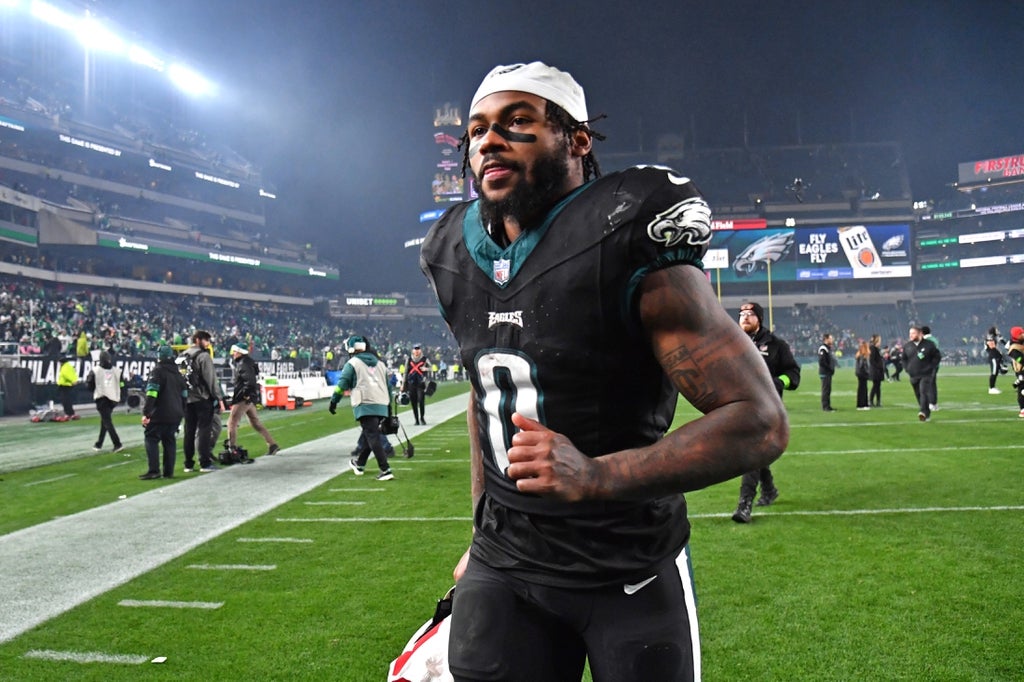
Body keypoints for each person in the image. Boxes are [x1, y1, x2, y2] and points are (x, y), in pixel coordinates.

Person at [420, 61, 788, 681]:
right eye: (478, 129)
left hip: (629, 567)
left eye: (517, 123)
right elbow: (488, 402)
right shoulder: (453, 250)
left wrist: (595, 474)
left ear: (577, 140)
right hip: (506, 564)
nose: (490, 140)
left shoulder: (624, 228)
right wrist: (481, 531)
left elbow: (759, 423)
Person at [731, 301, 800, 523]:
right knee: (757, 453)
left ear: (759, 319)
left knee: (751, 453)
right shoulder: (731, 343)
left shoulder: (776, 345)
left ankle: (745, 504)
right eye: (741, 314)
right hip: (740, 406)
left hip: (766, 409)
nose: (745, 317)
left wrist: (779, 382)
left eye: (750, 314)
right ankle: (769, 489)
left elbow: (794, 374)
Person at [329, 335, 394, 481]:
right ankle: (360, 464)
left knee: (372, 436)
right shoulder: (380, 364)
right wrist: (388, 407)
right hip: (382, 403)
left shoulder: (352, 363)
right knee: (368, 434)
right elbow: (388, 387)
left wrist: (334, 401)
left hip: (365, 403)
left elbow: (342, 384)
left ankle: (385, 469)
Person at [181, 330, 226, 473]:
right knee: (204, 430)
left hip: (187, 398)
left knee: (189, 431)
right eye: (206, 340)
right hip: (202, 398)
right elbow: (211, 379)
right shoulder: (203, 356)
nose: (208, 343)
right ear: (198, 340)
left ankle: (188, 464)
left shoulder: (182, 355)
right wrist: (219, 398)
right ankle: (204, 463)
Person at [139, 345, 187, 480]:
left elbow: (152, 393)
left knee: (151, 438)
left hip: (160, 413)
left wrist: (146, 413)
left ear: (159, 357)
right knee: (169, 441)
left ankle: (154, 470)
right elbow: (184, 396)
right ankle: (168, 472)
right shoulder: (178, 374)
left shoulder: (157, 372)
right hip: (176, 414)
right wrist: (182, 412)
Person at [226, 343, 280, 458]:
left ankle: (232, 448)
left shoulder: (243, 364)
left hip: (243, 398)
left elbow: (249, 382)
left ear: (240, 352)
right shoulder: (247, 362)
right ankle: (272, 444)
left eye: (235, 351)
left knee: (232, 423)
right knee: (255, 423)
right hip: (249, 398)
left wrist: (245, 395)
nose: (233, 354)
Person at [901, 325, 941, 422]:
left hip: (926, 374)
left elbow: (937, 357)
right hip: (913, 374)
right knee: (918, 394)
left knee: (924, 392)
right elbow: (904, 359)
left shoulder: (929, 345)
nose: (911, 335)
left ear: (920, 334)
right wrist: (907, 369)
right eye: (910, 333)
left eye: (913, 333)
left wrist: (931, 367)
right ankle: (926, 413)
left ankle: (922, 412)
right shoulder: (907, 346)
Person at [86, 350, 124, 452]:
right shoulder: (117, 371)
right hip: (113, 399)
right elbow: (122, 384)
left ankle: (117, 443)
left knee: (107, 422)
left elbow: (89, 385)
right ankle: (99, 444)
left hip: (102, 398)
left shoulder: (95, 370)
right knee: (105, 421)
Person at [401, 343, 431, 425]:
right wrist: (403, 384)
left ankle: (422, 417)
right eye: (415, 349)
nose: (417, 351)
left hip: (421, 383)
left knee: (421, 400)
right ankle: (416, 419)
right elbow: (405, 372)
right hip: (411, 383)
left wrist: (426, 369)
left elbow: (431, 368)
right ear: (413, 351)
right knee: (413, 401)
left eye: (418, 349)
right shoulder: (409, 359)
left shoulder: (424, 359)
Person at [921, 325, 940, 411]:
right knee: (932, 384)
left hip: (928, 365)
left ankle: (931, 403)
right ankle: (934, 403)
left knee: (928, 385)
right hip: (935, 365)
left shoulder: (926, 341)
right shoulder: (934, 339)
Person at [1006, 326, 1024, 417]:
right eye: (1021, 333)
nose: (1023, 334)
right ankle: (1023, 409)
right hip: (1021, 369)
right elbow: (1020, 359)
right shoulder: (1013, 348)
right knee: (1022, 389)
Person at [56, 354, 79, 421]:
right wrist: (74, 380)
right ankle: (71, 413)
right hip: (67, 385)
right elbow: (72, 374)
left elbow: (66, 375)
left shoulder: (65, 367)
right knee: (67, 400)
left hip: (65, 385)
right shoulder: (68, 366)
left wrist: (72, 381)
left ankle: (68, 413)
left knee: (65, 401)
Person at [818, 333, 837, 411]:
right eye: (831, 338)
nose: (832, 340)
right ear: (826, 339)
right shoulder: (823, 348)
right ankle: (825, 406)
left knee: (828, 389)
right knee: (825, 389)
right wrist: (829, 368)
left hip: (828, 372)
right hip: (825, 372)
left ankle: (828, 405)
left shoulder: (828, 348)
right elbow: (822, 361)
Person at [854, 339, 871, 410]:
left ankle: (861, 404)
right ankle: (863, 404)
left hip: (859, 374)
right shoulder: (863, 356)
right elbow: (862, 366)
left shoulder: (859, 355)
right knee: (863, 389)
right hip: (863, 374)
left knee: (861, 388)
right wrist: (867, 372)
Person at [869, 334, 885, 406]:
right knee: (875, 386)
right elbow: (872, 360)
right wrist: (878, 367)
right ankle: (871, 401)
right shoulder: (873, 348)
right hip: (875, 371)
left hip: (878, 370)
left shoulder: (877, 349)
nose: (880, 342)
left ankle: (878, 401)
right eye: (879, 340)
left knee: (878, 386)